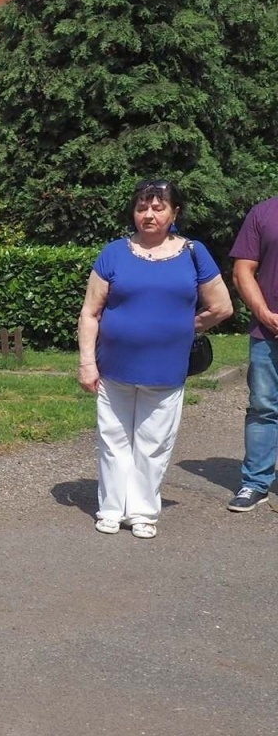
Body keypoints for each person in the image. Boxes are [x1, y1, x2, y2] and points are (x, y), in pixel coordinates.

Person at [77, 179, 232, 539]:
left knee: (153, 444)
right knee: (113, 441)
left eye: (158, 208)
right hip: (113, 367)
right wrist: (87, 362)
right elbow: (90, 313)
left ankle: (143, 512)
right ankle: (111, 509)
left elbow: (222, 306)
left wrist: (185, 327)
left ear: (174, 213)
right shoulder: (114, 253)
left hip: (166, 369)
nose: (149, 215)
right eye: (142, 207)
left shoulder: (194, 252)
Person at [225, 193, 278, 511]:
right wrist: (264, 314)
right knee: (263, 407)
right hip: (268, 331)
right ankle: (256, 483)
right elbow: (242, 271)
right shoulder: (263, 213)